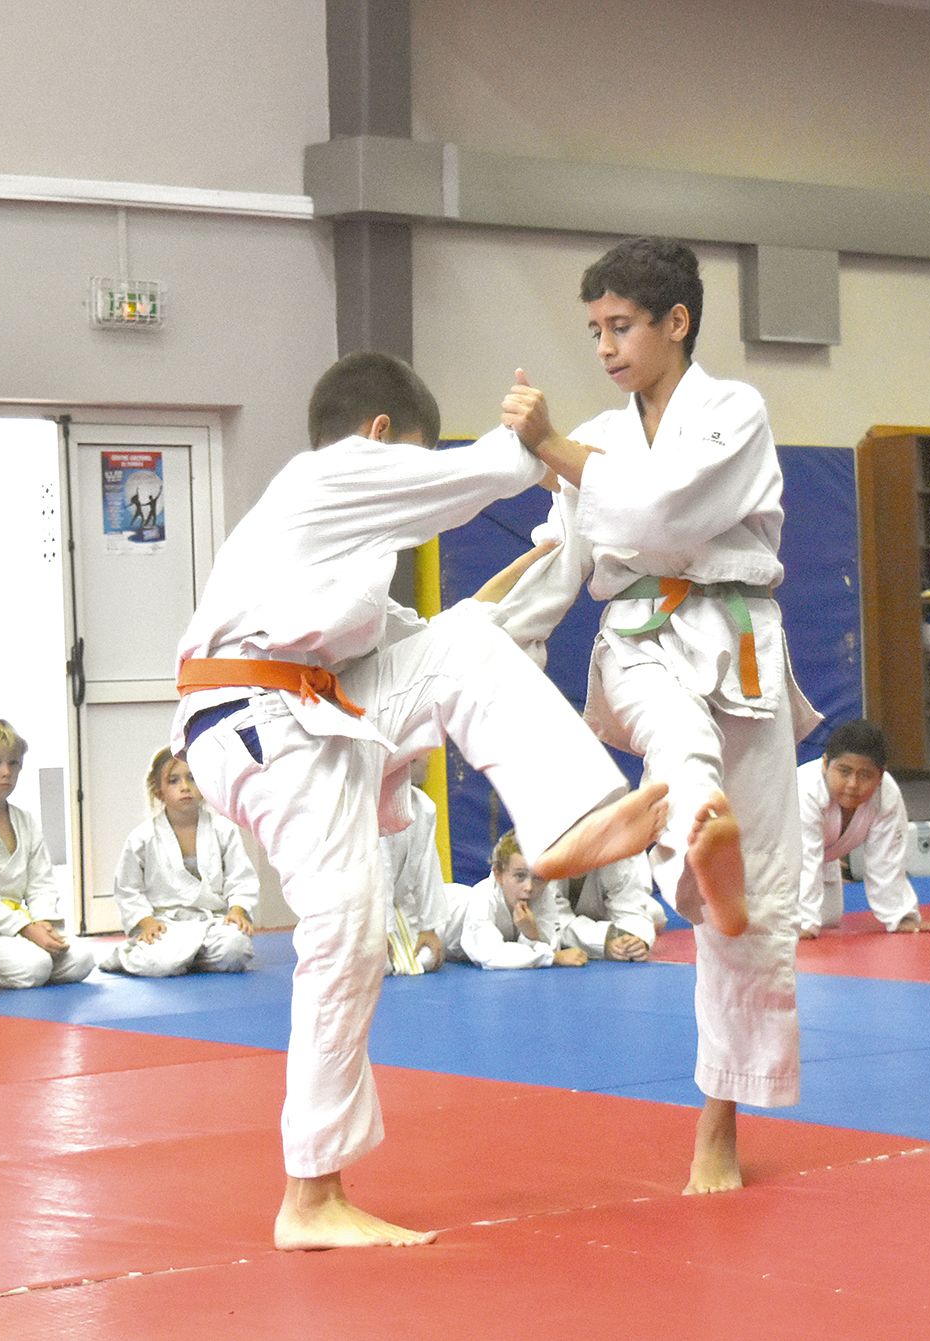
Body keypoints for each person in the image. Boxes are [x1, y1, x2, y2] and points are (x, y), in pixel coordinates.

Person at [173, 350, 669, 1250]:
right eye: (410, 451)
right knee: (341, 931)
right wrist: (536, 436)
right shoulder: (328, 473)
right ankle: (310, 1198)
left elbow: (454, 636)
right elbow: (478, 473)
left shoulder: (330, 561)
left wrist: (556, 547)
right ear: (378, 437)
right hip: (259, 720)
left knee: (470, 643)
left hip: (299, 714)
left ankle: (570, 821)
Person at [493, 236, 821, 1194]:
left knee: (755, 910)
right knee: (677, 756)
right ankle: (698, 857)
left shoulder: (735, 413)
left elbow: (665, 519)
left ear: (676, 322)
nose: (604, 347)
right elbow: (565, 552)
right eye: (593, 329)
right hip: (639, 633)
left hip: (741, 638)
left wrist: (554, 448)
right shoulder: (599, 434)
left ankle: (717, 1117)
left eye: (621, 326)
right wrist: (482, 639)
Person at [0, 719, 98, 985]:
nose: (6, 772)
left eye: (13, 763)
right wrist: (26, 928)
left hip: (24, 926)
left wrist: (42, 922)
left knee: (82, 959)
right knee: (36, 967)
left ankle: (23, 959)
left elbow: (41, 882)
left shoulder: (25, 820)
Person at [104, 749, 260, 977]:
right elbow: (128, 890)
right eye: (174, 780)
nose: (185, 786)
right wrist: (145, 922)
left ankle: (186, 959)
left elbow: (240, 878)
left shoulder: (223, 829)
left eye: (192, 778)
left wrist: (237, 911)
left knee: (236, 950)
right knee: (160, 965)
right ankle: (129, 955)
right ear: (159, 791)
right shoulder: (143, 837)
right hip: (166, 925)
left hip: (211, 921)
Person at [797, 720, 930, 939]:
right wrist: (803, 922)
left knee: (827, 918)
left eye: (865, 775)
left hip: (821, 860)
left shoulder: (886, 795)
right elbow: (803, 857)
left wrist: (901, 916)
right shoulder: (805, 789)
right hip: (762, 860)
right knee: (795, 924)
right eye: (844, 771)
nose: (852, 784)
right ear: (825, 764)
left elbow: (887, 859)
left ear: (881, 775)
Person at [451, 830, 588, 970]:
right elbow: (490, 956)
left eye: (538, 877)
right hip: (437, 917)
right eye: (519, 876)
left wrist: (531, 934)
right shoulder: (482, 897)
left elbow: (548, 946)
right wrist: (553, 957)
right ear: (498, 874)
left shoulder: (544, 896)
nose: (529, 887)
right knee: (428, 958)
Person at [381, 779, 455, 974]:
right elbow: (381, 872)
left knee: (428, 957)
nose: (428, 760)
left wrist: (428, 927)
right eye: (423, 755)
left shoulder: (423, 805)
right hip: (366, 910)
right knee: (379, 964)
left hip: (403, 907)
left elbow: (428, 867)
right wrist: (383, 931)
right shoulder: (370, 801)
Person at [535, 851, 660, 961]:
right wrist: (607, 940)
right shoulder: (541, 857)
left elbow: (631, 911)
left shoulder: (619, 855)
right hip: (561, 919)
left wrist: (633, 942)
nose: (577, 859)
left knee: (656, 914)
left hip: (603, 911)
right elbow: (554, 921)